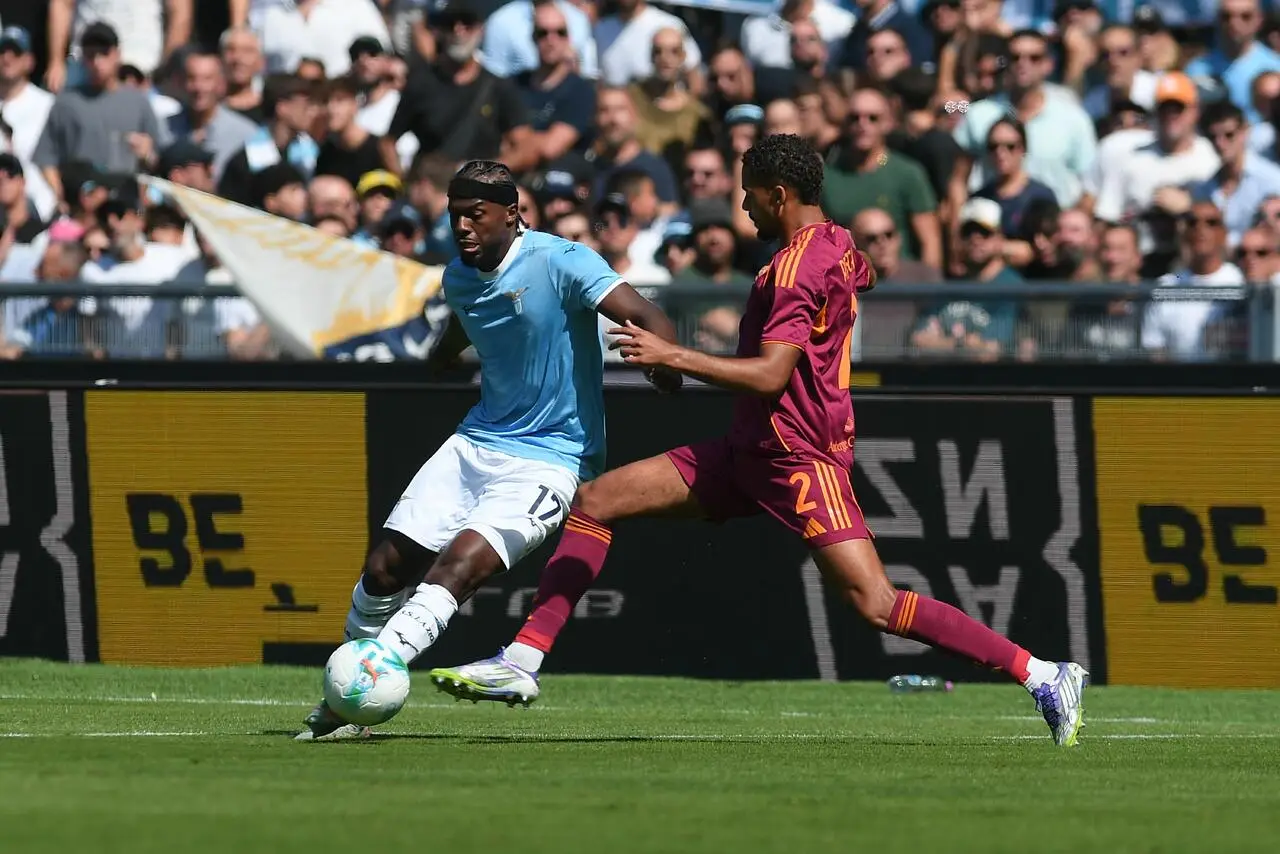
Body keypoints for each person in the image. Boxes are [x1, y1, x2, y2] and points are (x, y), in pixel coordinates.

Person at [429, 135, 1089, 748]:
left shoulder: (794, 270)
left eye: (749, 191)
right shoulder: (835, 243)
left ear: (778, 194)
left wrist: (674, 355)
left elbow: (772, 374)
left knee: (877, 604)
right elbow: (865, 276)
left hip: (800, 460)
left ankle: (1041, 672)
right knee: (596, 501)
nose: (741, 203)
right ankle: (522, 660)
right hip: (749, 451)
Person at [294, 159, 679, 741]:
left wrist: (665, 365)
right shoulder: (458, 276)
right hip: (475, 443)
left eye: (476, 215)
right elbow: (463, 324)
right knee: (384, 569)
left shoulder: (562, 261)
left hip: (553, 457)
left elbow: (648, 315)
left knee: (459, 568)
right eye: (455, 216)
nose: (465, 227)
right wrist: (438, 360)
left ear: (511, 213)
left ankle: (365, 685)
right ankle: (344, 691)